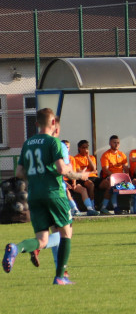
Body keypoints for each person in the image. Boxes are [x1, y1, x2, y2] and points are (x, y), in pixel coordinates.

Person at [3, 108, 90, 284]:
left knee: (42, 239)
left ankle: (16, 248)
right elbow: (61, 169)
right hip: (53, 193)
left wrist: (37, 176)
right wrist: (80, 175)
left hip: (34, 195)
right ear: (53, 123)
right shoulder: (53, 142)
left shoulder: (28, 143)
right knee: (66, 233)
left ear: (36, 124)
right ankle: (60, 277)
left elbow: (19, 172)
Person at [98, 135, 129, 214]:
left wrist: (127, 177)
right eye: (114, 142)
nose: (116, 144)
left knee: (133, 185)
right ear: (110, 143)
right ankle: (104, 208)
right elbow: (105, 169)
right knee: (111, 186)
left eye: (118, 143)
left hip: (120, 179)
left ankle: (134, 207)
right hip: (109, 177)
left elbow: (126, 168)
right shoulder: (106, 155)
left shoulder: (122, 155)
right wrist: (115, 177)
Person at [69, 140, 99, 216]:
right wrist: (91, 172)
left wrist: (88, 157)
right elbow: (79, 172)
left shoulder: (91, 157)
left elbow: (94, 168)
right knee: (90, 185)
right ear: (79, 148)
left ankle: (92, 207)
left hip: (93, 177)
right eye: (83, 148)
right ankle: (91, 206)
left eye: (86, 147)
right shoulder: (75, 158)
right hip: (82, 178)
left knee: (107, 184)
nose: (85, 149)